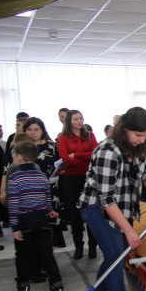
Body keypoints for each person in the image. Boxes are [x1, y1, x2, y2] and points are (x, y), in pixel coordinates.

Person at [79, 106, 146, 291]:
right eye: (138, 135)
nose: (142, 140)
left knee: (116, 256)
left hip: (122, 206)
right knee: (115, 257)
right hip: (97, 208)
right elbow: (106, 199)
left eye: (145, 135)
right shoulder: (108, 151)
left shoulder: (137, 148)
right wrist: (129, 231)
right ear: (125, 129)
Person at [7, 140, 66, 291]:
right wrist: (49, 209)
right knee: (47, 255)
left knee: (23, 256)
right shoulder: (41, 176)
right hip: (42, 221)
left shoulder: (14, 177)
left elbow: (13, 204)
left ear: (19, 157)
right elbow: (47, 196)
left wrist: (15, 226)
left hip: (24, 222)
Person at [57, 109, 99, 259]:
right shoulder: (62, 138)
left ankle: (93, 247)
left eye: (81, 118)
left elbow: (95, 154)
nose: (79, 121)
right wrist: (83, 158)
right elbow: (65, 159)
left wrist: (75, 155)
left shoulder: (90, 135)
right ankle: (78, 247)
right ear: (69, 121)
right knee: (75, 216)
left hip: (88, 178)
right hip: (71, 179)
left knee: (91, 213)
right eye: (75, 119)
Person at [22, 117, 66, 247]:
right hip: (31, 189)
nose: (33, 132)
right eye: (30, 129)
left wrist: (60, 170)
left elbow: (58, 162)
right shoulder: (23, 147)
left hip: (51, 184)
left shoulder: (50, 146)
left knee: (53, 214)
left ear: (42, 131)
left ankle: (54, 241)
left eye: (36, 129)